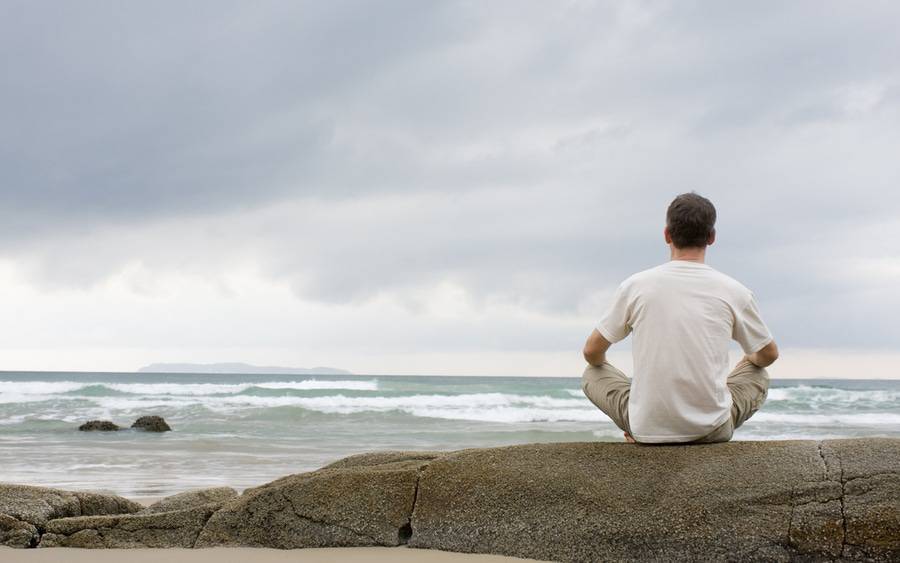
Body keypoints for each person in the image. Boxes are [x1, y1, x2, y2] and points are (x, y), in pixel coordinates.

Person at [581, 193, 778, 444]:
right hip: (713, 430)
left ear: (667, 235)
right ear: (711, 237)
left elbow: (591, 352)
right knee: (758, 373)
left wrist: (629, 383)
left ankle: (645, 421)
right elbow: (769, 355)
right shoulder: (735, 291)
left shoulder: (636, 286)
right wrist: (748, 359)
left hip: (646, 429)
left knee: (591, 373)